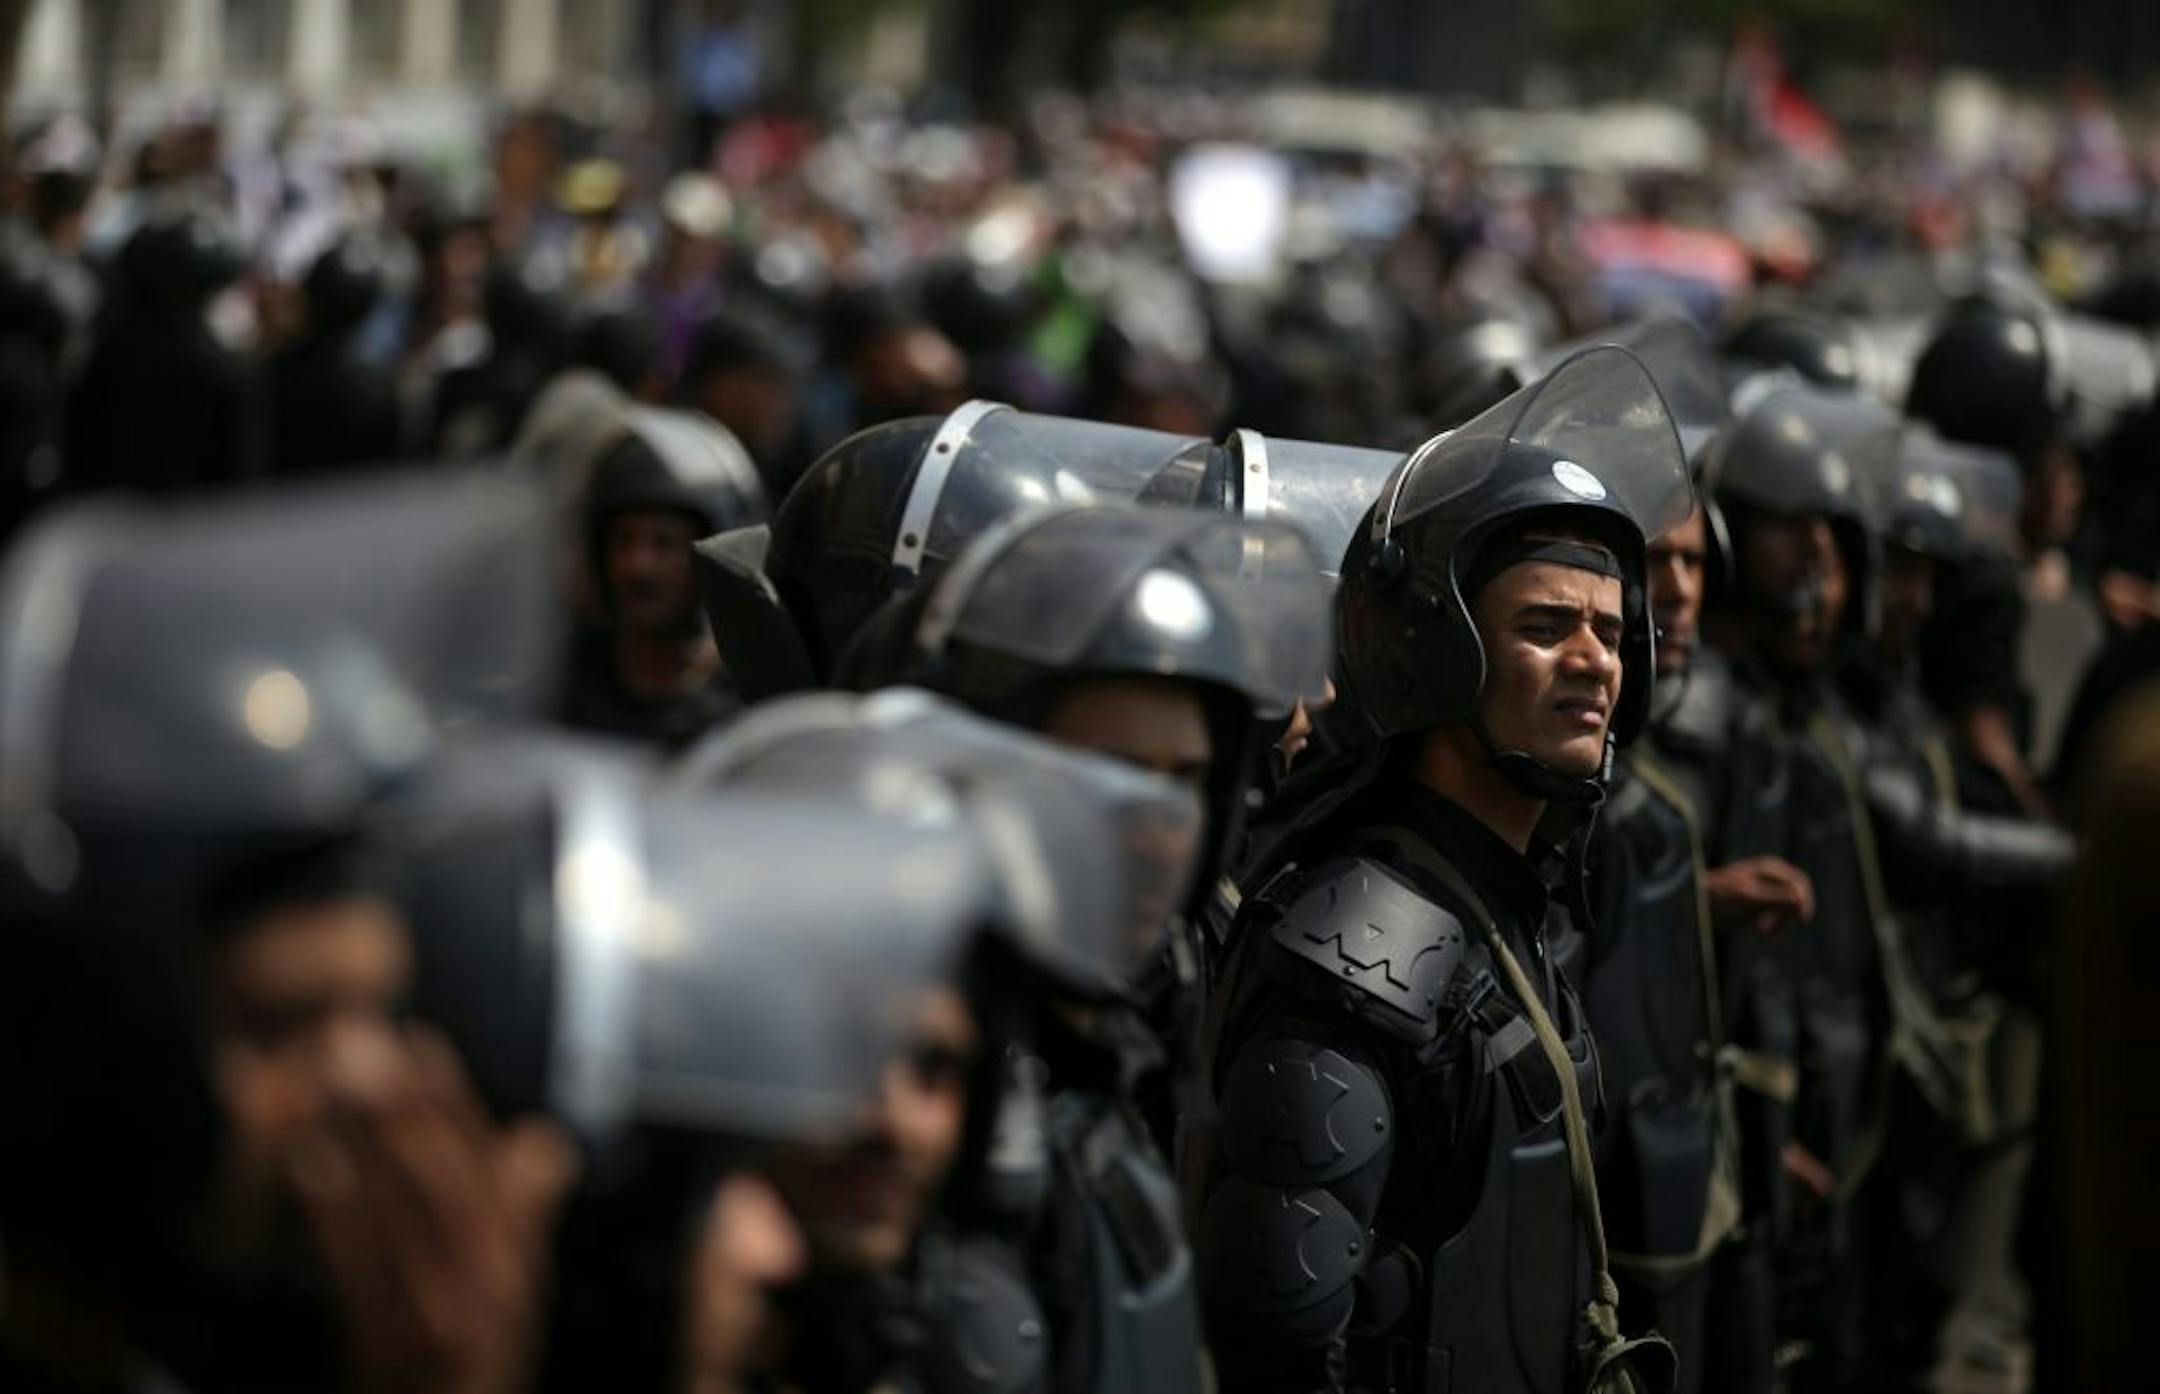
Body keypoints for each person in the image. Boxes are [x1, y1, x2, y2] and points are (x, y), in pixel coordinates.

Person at [1193, 346, 1693, 1394]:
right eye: (1544, 627)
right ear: (1436, 651)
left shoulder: (1504, 898)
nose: (1595, 660)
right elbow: (1279, 1338)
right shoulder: (1361, 950)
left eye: (1609, 631)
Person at [560, 405, 768, 748]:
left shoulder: (751, 717)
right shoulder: (558, 696)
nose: (638, 566)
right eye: (623, 541)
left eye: (664, 543)